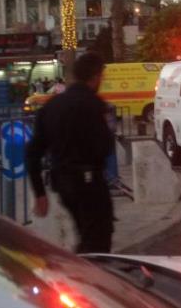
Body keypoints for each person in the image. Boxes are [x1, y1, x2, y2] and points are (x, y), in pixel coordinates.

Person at [26, 52, 115, 253]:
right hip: (89, 181)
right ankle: (86, 278)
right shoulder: (94, 104)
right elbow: (105, 146)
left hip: (62, 182)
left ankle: (80, 270)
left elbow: (33, 152)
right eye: (101, 76)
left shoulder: (51, 106)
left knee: (84, 231)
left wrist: (39, 192)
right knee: (98, 237)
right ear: (94, 77)